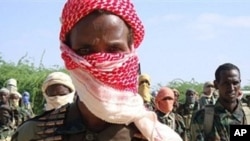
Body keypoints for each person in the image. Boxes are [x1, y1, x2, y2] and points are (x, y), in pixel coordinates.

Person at [11, 0, 182, 141]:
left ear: (131, 52)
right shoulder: (33, 134)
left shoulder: (154, 135)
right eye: (85, 51)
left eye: (114, 50)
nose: (101, 61)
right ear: (68, 53)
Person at [190, 63, 247, 141]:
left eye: (235, 83)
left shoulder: (246, 115)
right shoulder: (203, 117)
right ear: (216, 85)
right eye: (226, 83)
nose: (231, 88)